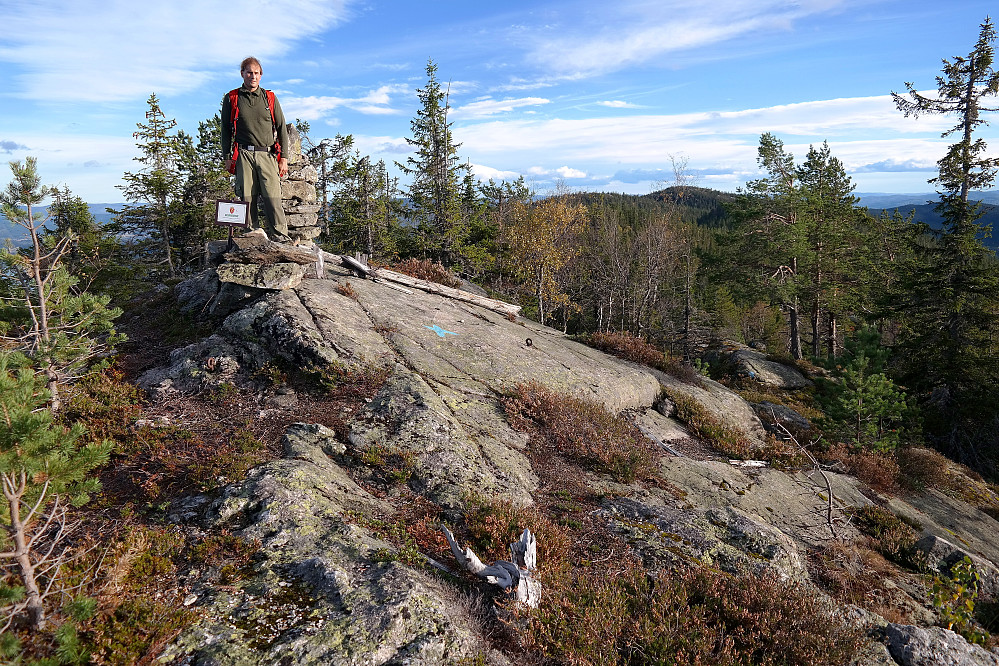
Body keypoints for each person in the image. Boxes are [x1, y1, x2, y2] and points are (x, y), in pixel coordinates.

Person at [221, 57, 291, 242]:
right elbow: (225, 130)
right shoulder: (232, 98)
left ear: (261, 76)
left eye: (256, 73)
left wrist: (283, 157)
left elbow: (282, 127)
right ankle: (251, 234)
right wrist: (227, 156)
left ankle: (280, 236)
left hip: (267, 154)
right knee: (246, 196)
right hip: (243, 154)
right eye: (249, 72)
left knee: (272, 196)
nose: (253, 76)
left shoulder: (270, 98)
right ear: (242, 73)